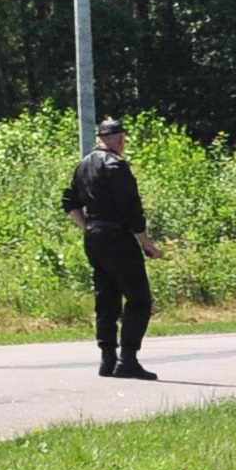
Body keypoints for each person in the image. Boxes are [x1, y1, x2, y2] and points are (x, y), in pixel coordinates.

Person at [62, 115, 156, 381]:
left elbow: (69, 201)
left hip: (94, 237)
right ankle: (127, 359)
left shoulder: (83, 165)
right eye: (122, 139)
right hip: (117, 237)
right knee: (139, 299)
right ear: (119, 140)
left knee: (106, 298)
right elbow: (131, 210)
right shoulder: (116, 166)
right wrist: (146, 243)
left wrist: (88, 227)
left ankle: (107, 359)